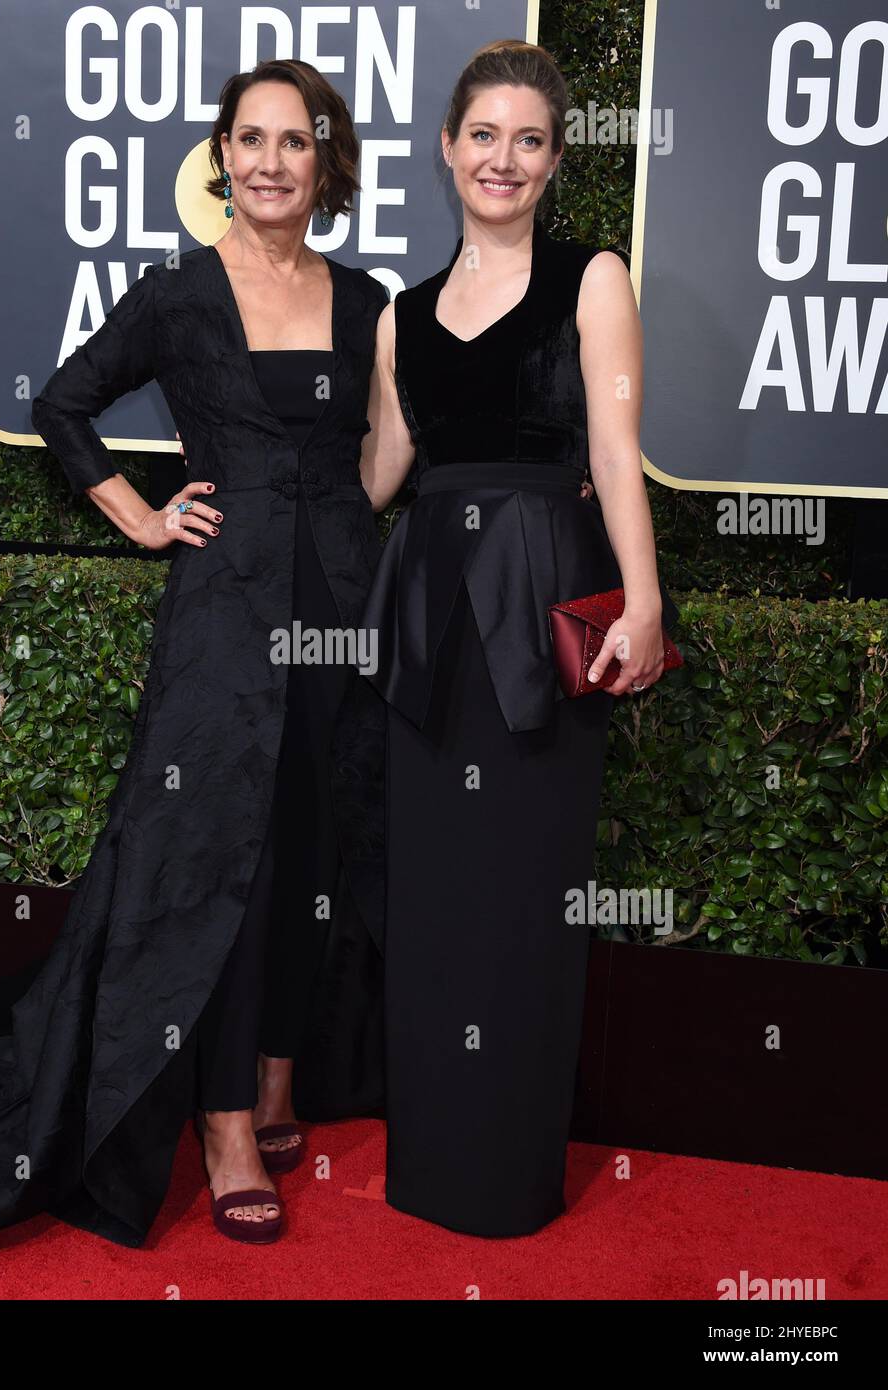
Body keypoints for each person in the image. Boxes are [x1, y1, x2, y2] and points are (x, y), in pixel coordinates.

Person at [0, 58, 388, 1271]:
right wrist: (137, 514)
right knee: (216, 860)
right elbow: (64, 403)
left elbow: (376, 459)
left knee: (309, 844)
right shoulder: (182, 293)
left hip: (342, 610)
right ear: (222, 158)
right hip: (224, 622)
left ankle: (284, 1074)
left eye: (296, 141)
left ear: (324, 162)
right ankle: (226, 1121)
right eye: (251, 139)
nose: (272, 162)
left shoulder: (365, 299)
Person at [358, 39, 680, 1237]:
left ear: (552, 161)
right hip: (432, 612)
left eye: (529, 140)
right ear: (448, 148)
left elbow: (613, 452)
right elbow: (383, 475)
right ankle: (434, 1162)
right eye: (482, 135)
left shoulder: (594, 278)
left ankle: (504, 1178)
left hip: (542, 600)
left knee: (526, 894)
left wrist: (642, 603)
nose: (503, 158)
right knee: (436, 895)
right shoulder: (398, 318)